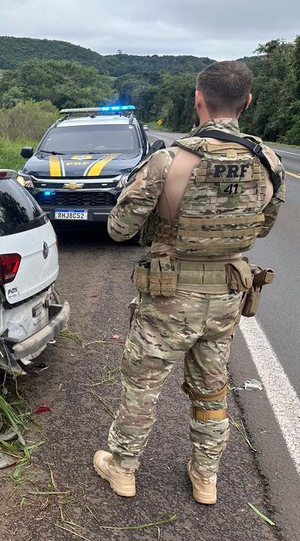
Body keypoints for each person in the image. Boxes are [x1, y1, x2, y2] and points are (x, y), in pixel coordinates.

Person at [92, 61, 285, 504]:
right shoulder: (267, 161)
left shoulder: (170, 161)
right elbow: (264, 228)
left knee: (143, 384)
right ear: (247, 101)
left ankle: (122, 469)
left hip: (168, 297)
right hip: (225, 298)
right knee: (212, 387)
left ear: (198, 99)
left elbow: (119, 229)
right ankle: (206, 478)